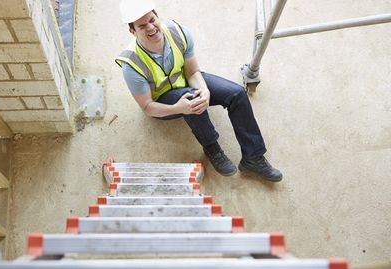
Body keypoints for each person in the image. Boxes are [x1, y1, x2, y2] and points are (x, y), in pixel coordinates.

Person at [115, 0, 283, 182]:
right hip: (163, 102)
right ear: (132, 31)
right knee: (191, 99)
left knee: (236, 93)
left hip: (186, 81)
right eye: (142, 26)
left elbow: (193, 71)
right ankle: (211, 146)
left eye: (152, 19)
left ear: (157, 15)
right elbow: (147, 107)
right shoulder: (131, 64)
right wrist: (178, 108)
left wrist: (205, 90)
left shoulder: (178, 33)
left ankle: (253, 157)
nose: (151, 28)